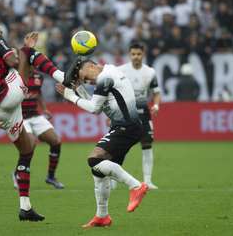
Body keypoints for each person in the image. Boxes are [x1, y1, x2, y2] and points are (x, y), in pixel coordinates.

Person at [0, 10, 65, 222]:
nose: (0, 28)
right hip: (5, 95)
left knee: (27, 149)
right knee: (26, 52)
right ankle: (62, 76)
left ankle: (25, 207)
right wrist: (26, 51)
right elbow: (14, 61)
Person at [56, 58, 148, 228]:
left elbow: (93, 109)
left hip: (125, 128)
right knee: (99, 171)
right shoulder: (110, 71)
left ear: (91, 66)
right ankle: (102, 216)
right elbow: (98, 106)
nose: (87, 81)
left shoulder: (105, 77)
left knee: (94, 159)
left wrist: (70, 96)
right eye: (84, 81)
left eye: (84, 77)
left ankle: (135, 186)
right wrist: (79, 91)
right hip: (128, 126)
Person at [118, 42, 161, 190]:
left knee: (147, 144)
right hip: (124, 111)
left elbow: (156, 92)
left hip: (143, 111)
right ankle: (112, 180)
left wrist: (156, 105)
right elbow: (112, 92)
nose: (136, 57)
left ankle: (148, 181)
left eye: (139, 54)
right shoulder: (121, 71)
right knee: (118, 146)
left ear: (143, 55)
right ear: (129, 55)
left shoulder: (150, 72)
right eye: (133, 54)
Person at [13, 69, 64, 189]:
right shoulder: (15, 76)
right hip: (21, 118)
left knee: (56, 141)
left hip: (35, 116)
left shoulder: (38, 76)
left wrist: (45, 108)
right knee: (30, 145)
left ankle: (51, 177)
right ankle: (17, 173)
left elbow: (38, 92)